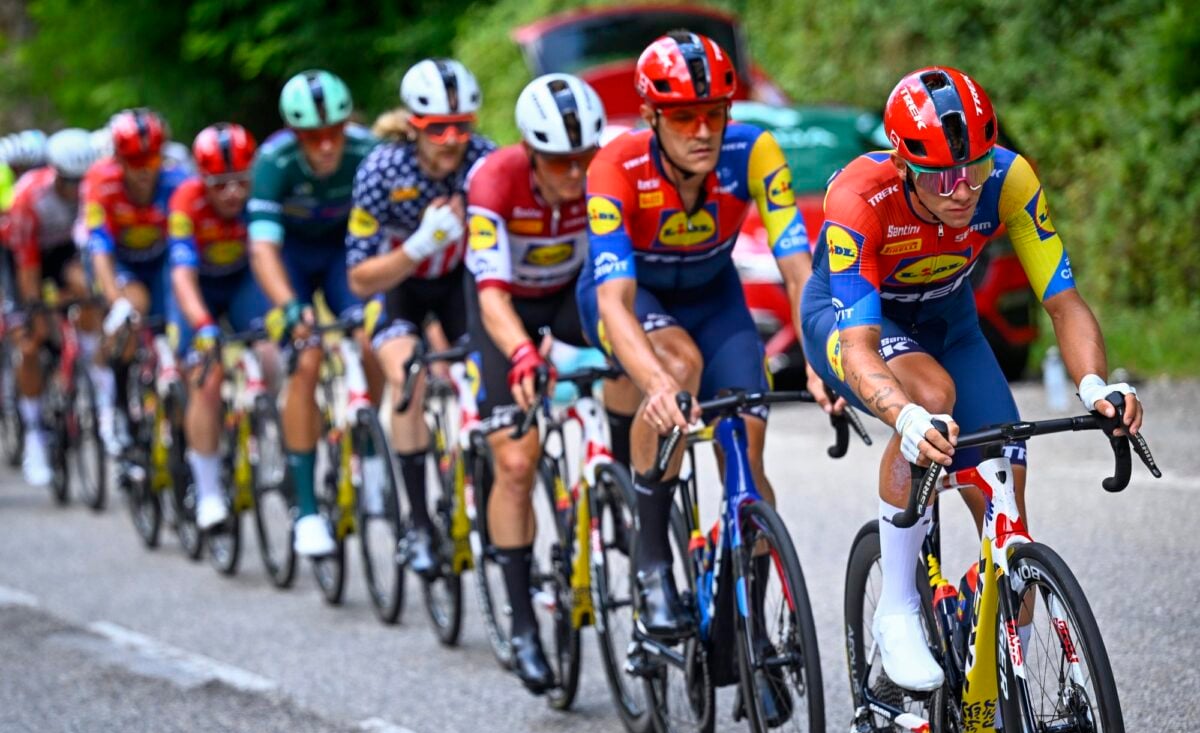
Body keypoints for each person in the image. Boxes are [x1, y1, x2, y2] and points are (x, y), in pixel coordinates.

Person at [799, 66, 1144, 691]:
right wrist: (903, 417)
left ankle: (1002, 686)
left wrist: (1096, 386)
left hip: (951, 324)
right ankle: (897, 607)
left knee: (1005, 505)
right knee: (930, 397)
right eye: (941, 175)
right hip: (856, 324)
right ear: (904, 165)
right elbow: (859, 345)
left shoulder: (1009, 180)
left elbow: (1063, 300)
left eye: (974, 168)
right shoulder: (859, 197)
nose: (962, 191)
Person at [578, 31, 815, 643]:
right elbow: (614, 298)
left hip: (715, 300)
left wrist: (820, 357)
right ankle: (652, 563)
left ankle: (752, 632)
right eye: (684, 117)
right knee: (677, 367)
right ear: (652, 116)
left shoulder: (754, 151)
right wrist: (656, 383)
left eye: (714, 114)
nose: (703, 131)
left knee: (748, 444)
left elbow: (797, 268)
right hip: (633, 300)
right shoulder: (616, 165)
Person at [463, 72, 606, 692]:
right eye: (559, 163)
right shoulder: (492, 180)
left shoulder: (603, 171)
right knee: (516, 463)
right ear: (530, 150)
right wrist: (522, 352)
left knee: (627, 366)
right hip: (507, 311)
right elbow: (490, 292)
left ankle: (618, 483)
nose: (575, 177)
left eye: (584, 160)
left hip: (571, 298)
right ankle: (522, 619)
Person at [346, 58, 494, 574]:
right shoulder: (382, 171)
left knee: (489, 379)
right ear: (414, 125)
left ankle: (487, 487)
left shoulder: (483, 161)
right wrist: (417, 246)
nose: (452, 140)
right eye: (437, 129)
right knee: (405, 377)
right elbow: (359, 278)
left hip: (458, 285)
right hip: (397, 286)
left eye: (462, 126)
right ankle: (418, 523)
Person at [248, 69, 379, 557]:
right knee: (306, 358)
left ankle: (372, 457)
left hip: (345, 257)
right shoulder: (274, 163)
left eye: (334, 134)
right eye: (312, 137)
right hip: (290, 262)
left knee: (372, 337)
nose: (325, 147)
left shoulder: (365, 152)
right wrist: (289, 306)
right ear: (295, 134)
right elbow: (262, 250)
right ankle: (306, 510)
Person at [167, 123, 271, 531]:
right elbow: (180, 275)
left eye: (240, 182)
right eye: (219, 184)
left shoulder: (260, 196)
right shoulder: (185, 201)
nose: (232, 193)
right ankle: (208, 491)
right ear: (201, 180)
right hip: (197, 288)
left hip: (242, 281)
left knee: (270, 353)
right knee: (206, 378)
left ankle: (264, 422)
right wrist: (203, 324)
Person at [85, 108, 190, 453]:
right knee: (132, 311)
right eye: (133, 160)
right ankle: (118, 412)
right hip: (123, 263)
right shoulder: (102, 182)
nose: (143, 170)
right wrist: (115, 299)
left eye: (151, 158)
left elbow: (185, 251)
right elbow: (99, 246)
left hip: (162, 261)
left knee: (176, 334)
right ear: (119, 159)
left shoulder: (177, 181)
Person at [7, 128, 98, 485]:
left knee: (87, 291)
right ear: (55, 173)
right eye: (69, 182)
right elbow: (26, 267)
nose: (76, 190)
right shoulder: (29, 197)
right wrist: (34, 309)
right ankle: (33, 434)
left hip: (63, 254)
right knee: (31, 339)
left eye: (82, 181)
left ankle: (89, 372)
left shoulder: (92, 194)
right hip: (22, 257)